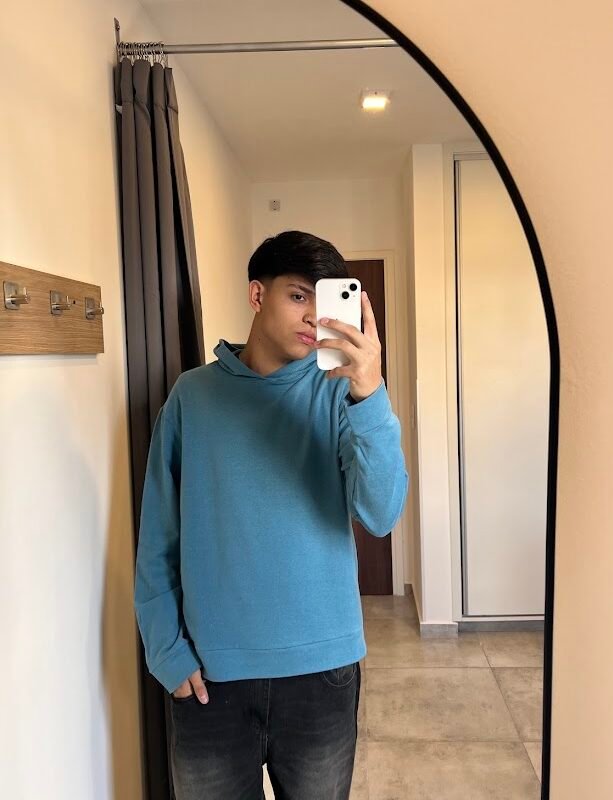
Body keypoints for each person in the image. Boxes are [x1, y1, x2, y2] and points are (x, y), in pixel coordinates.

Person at [134, 230, 409, 799]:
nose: (312, 317)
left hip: (322, 670)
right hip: (210, 674)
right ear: (257, 295)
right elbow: (158, 534)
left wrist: (370, 393)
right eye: (298, 295)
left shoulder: (341, 394)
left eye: (324, 300)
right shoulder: (192, 396)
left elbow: (381, 514)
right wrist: (167, 651)